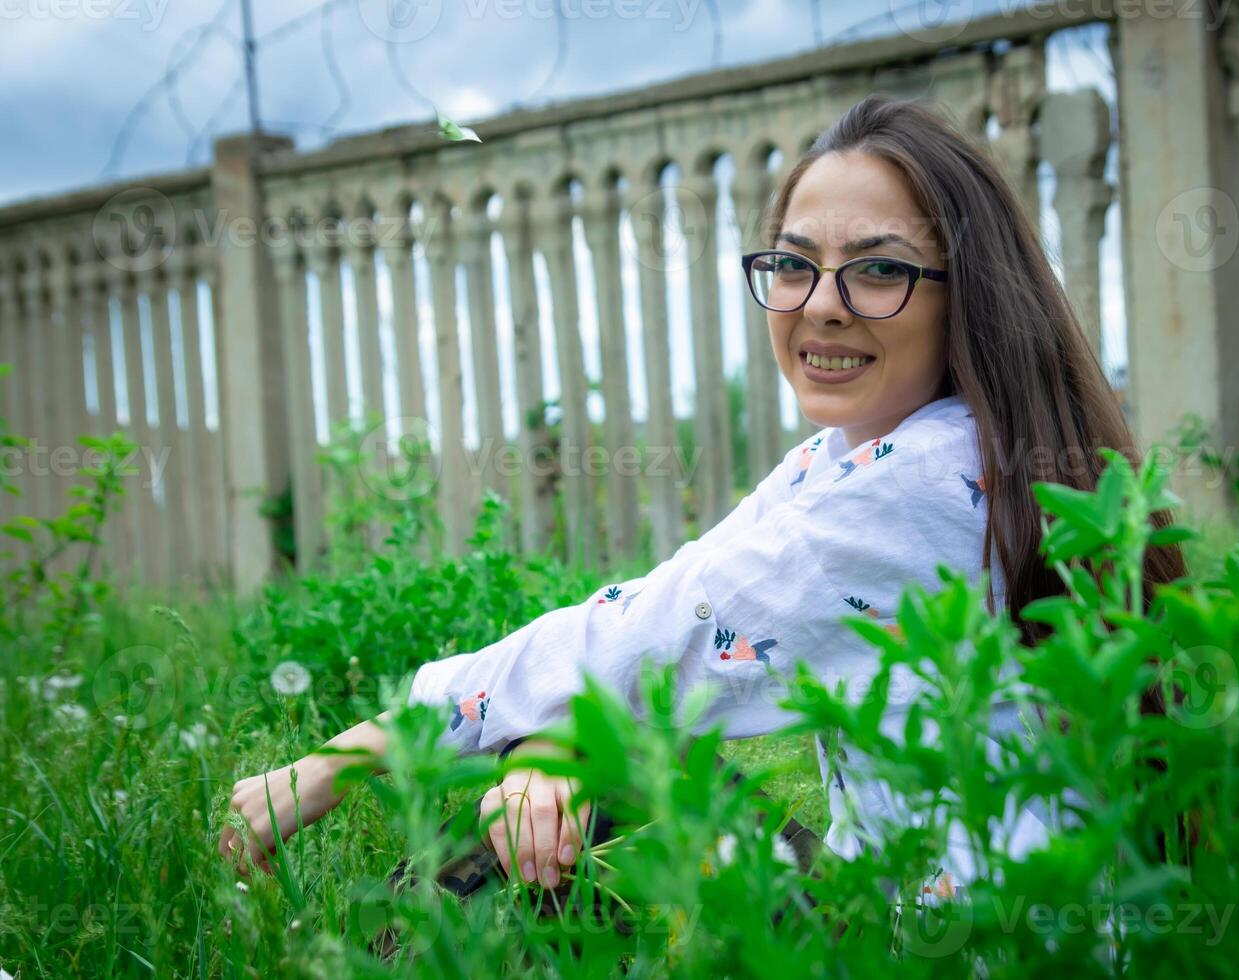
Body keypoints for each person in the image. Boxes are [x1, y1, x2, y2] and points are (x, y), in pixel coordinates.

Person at [219, 93, 1186, 897]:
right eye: (795, 264)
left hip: (965, 948)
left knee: (595, 786)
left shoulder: (920, 485)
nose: (821, 303)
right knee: (593, 761)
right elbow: (663, 610)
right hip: (924, 908)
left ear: (967, 291)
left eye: (880, 269)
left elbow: (636, 647)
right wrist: (555, 744)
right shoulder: (867, 456)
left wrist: (344, 760)